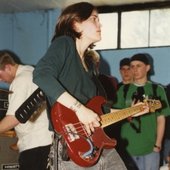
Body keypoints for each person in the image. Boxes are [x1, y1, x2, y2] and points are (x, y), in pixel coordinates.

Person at [33, 2, 149, 170]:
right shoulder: (64, 43)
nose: (99, 24)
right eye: (94, 19)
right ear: (75, 23)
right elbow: (41, 75)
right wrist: (80, 109)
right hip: (74, 145)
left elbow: (98, 114)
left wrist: (133, 111)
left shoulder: (89, 66)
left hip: (98, 142)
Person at [113, 53, 170, 170]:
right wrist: (128, 114)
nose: (134, 69)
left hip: (150, 146)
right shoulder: (123, 90)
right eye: (132, 66)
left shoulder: (157, 89)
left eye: (138, 66)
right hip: (127, 146)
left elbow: (161, 118)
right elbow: (115, 114)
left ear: (147, 68)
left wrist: (157, 144)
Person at [0, 50, 53, 170]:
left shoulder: (20, 81)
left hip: (36, 147)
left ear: (8, 67)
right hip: (45, 142)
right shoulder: (31, 71)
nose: (0, 80)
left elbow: (14, 118)